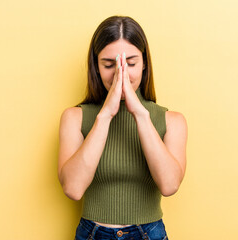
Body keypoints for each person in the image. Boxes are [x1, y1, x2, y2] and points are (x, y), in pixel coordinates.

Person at [58, 15, 187, 240]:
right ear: (96, 66)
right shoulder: (75, 118)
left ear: (145, 63)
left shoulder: (171, 121)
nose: (121, 73)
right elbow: (73, 189)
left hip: (149, 233)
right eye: (109, 65)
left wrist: (139, 113)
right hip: (93, 234)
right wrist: (105, 115)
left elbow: (169, 185)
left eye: (131, 63)